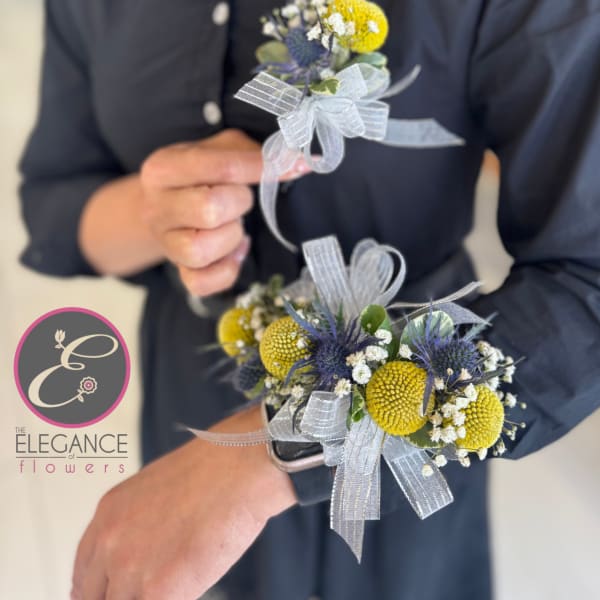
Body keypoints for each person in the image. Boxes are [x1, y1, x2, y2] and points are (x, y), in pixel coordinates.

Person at [19, 1, 600, 599]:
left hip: (415, 405)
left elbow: (588, 281)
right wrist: (157, 211)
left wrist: (266, 453)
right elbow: (54, 208)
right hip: (194, 390)